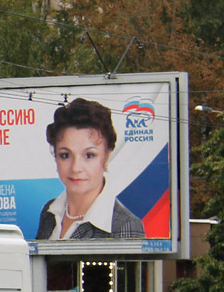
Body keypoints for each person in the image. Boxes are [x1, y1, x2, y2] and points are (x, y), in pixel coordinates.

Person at [36, 99, 145, 240]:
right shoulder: (49, 212)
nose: (75, 168)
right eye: (65, 155)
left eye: (89, 155)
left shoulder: (125, 225)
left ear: (106, 157)